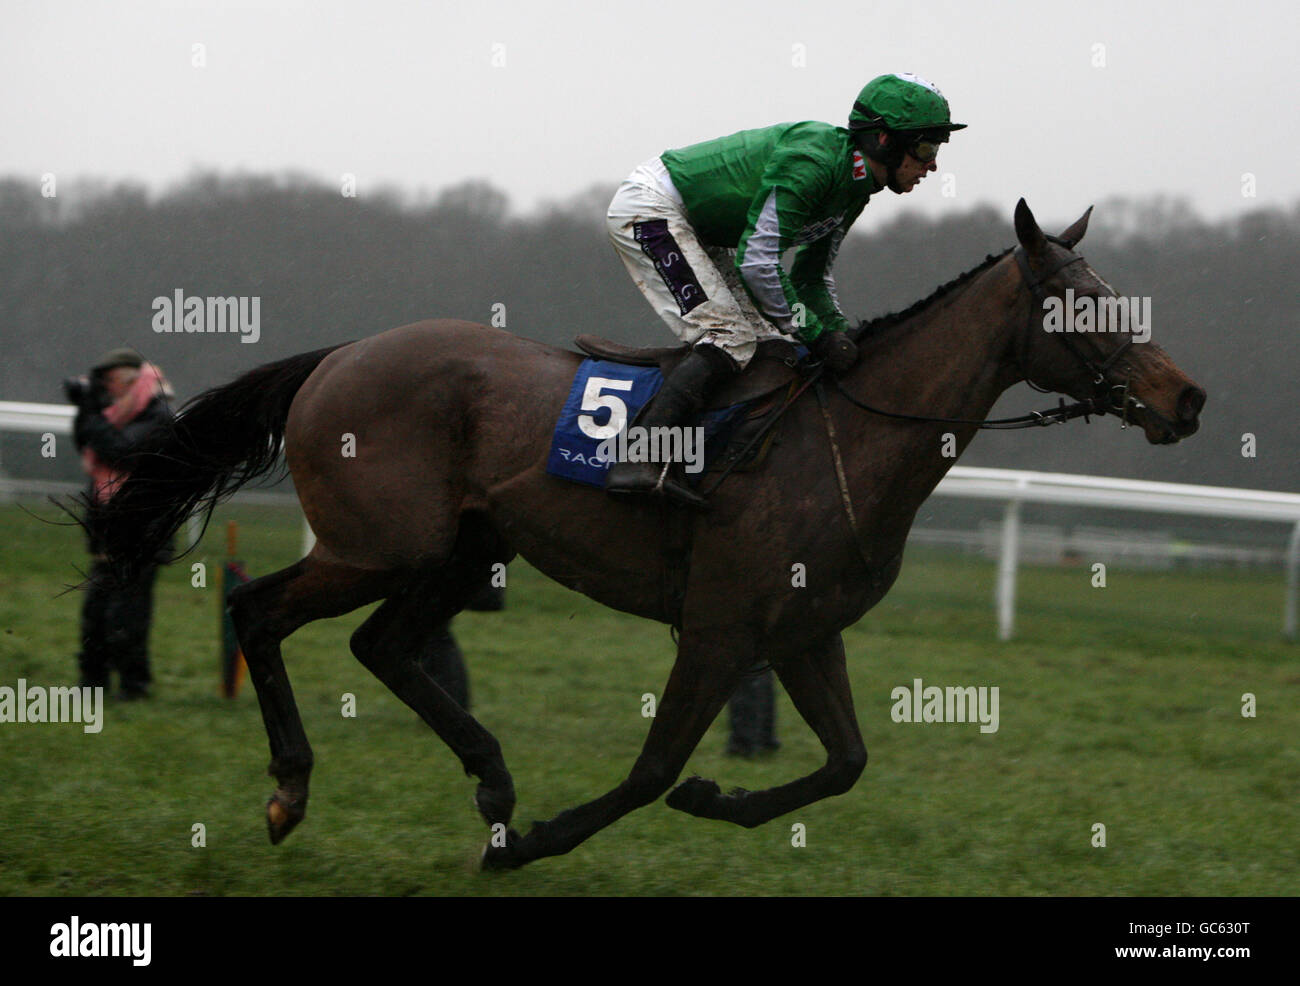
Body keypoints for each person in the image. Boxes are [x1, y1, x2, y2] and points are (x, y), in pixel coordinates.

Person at [604, 72, 966, 507]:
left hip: (706, 231)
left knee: (772, 344)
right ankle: (639, 459)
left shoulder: (855, 188)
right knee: (729, 338)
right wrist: (817, 335)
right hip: (653, 207)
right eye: (926, 148)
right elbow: (758, 261)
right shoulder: (813, 162)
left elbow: (812, 279)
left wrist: (839, 334)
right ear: (884, 140)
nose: (933, 165)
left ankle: (706, 460)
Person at [70, 348, 175, 699]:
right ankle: (93, 685)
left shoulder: (157, 414)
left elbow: (121, 452)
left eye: (110, 380)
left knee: (126, 616)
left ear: (132, 380)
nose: (106, 388)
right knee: (96, 615)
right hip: (109, 535)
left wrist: (90, 412)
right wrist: (88, 410)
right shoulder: (117, 414)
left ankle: (133, 687)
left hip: (141, 535)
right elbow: (88, 440)